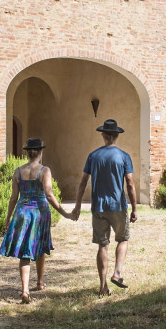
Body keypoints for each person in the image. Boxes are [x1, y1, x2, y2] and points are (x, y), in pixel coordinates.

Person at [0, 138, 72, 303]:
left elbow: (13, 198)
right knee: (39, 246)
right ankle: (39, 283)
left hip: (22, 212)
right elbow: (49, 194)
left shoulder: (18, 172)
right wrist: (64, 212)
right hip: (39, 212)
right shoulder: (45, 170)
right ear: (40, 152)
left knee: (25, 251)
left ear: (26, 153)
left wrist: (8, 217)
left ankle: (25, 290)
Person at [71, 119, 138, 295]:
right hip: (118, 205)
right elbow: (130, 184)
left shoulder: (93, 156)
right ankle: (117, 273)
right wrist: (134, 208)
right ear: (116, 136)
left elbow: (83, 181)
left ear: (103, 135)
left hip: (99, 206)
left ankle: (102, 287)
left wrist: (77, 206)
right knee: (122, 239)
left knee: (102, 245)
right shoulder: (123, 156)